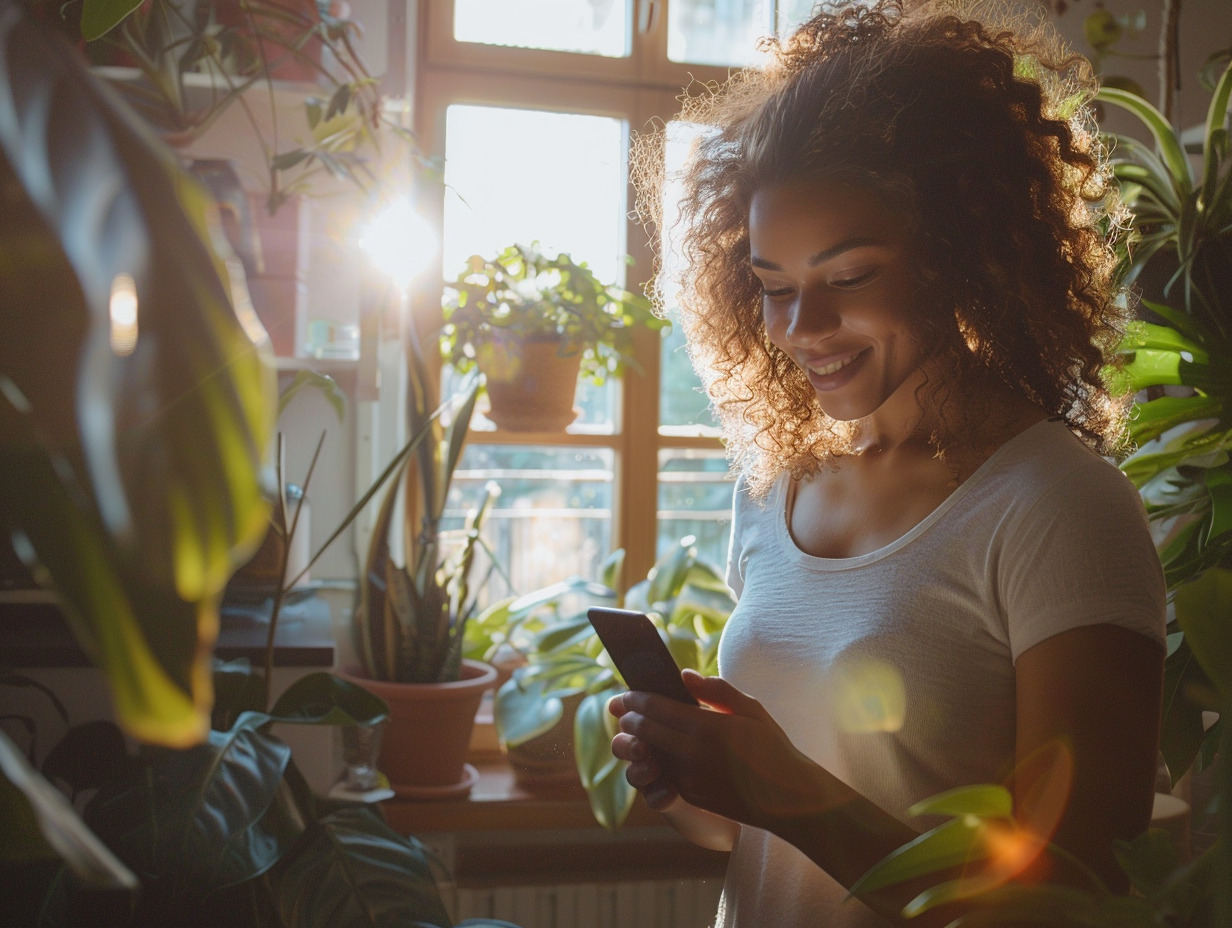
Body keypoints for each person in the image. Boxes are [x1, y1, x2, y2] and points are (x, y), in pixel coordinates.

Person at [609, 1, 1167, 925]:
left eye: (850, 277)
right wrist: (692, 782)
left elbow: (1077, 897)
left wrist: (787, 792)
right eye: (774, 286)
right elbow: (753, 843)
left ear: (962, 252)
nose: (800, 330)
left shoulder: (1059, 508)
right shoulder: (775, 488)